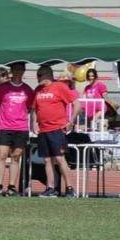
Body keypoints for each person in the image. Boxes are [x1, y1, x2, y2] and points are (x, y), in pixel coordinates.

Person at [31, 66, 80, 198]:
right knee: (47, 160)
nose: (38, 78)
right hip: (43, 129)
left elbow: (77, 104)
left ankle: (69, 188)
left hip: (57, 128)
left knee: (59, 158)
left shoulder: (59, 87)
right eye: (38, 75)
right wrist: (34, 123)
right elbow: (35, 109)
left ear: (48, 75)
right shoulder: (38, 90)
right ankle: (50, 188)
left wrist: (71, 121)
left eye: (40, 75)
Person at [0, 62, 34, 196]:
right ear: (11, 71)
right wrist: (2, 119)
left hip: (21, 127)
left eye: (21, 70)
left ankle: (12, 187)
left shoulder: (27, 89)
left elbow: (29, 107)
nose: (18, 72)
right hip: (5, 127)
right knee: (2, 155)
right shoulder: (3, 88)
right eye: (16, 69)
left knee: (16, 157)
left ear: (23, 71)